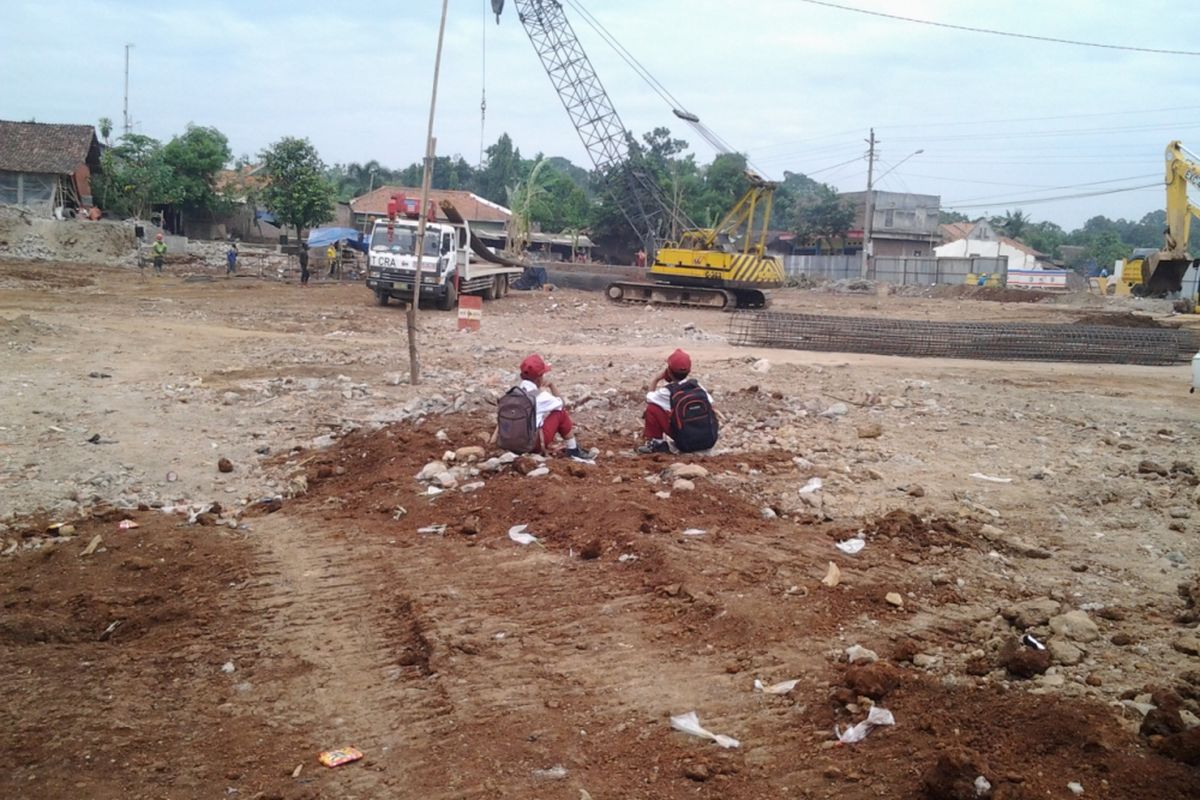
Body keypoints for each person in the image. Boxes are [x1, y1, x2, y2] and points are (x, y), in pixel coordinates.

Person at [638, 348, 718, 455]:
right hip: (708, 441)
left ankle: (658, 443)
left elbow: (649, 398)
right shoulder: (697, 386)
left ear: (669, 372)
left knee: (652, 408)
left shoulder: (667, 391)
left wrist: (656, 379)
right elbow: (712, 405)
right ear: (689, 371)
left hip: (684, 442)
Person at [517, 354, 596, 461]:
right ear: (539, 377)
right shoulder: (540, 396)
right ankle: (573, 449)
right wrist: (552, 385)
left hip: (511, 443)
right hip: (531, 445)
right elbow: (561, 404)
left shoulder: (513, 393)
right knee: (560, 413)